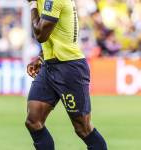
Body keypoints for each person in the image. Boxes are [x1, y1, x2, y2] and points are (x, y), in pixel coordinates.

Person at [25, 0, 108, 149]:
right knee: (33, 121)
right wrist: (42, 57)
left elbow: (41, 35)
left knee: (83, 129)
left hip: (69, 68)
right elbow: (55, 35)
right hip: (49, 66)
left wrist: (32, 5)